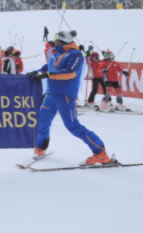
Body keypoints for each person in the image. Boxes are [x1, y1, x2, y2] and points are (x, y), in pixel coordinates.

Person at [28, 31, 114, 166]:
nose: (54, 41)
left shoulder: (76, 54)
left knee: (72, 126)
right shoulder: (55, 53)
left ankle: (100, 153)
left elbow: (70, 73)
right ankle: (41, 147)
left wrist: (48, 74)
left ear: (62, 41)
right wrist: (37, 72)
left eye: (56, 39)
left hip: (66, 95)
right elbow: (47, 67)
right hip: (51, 93)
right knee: (41, 121)